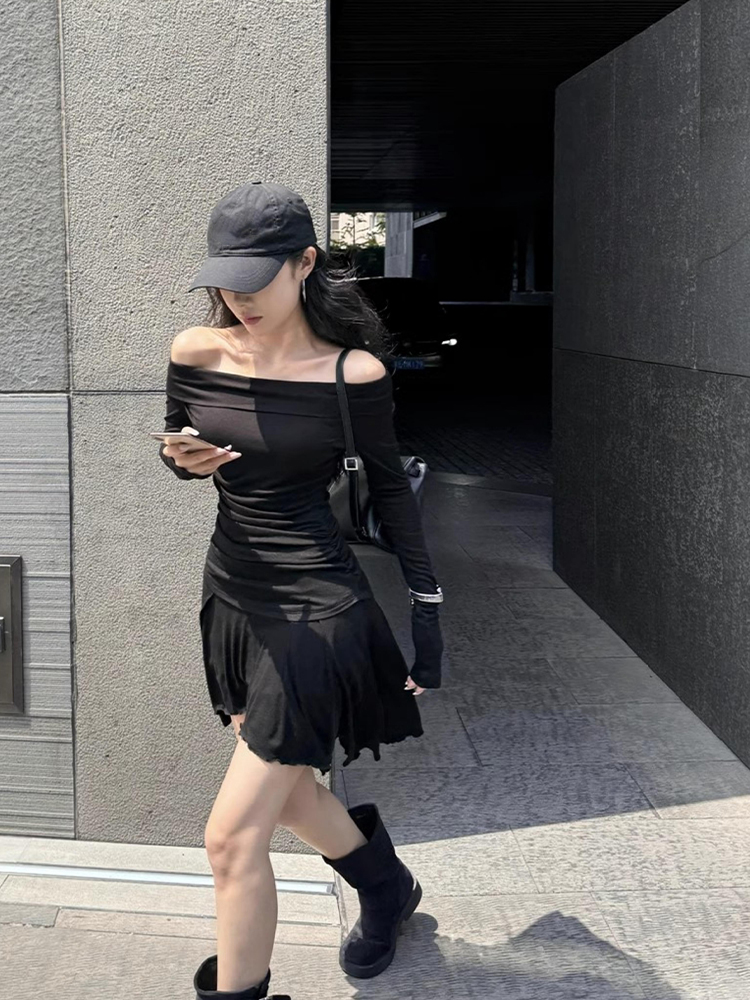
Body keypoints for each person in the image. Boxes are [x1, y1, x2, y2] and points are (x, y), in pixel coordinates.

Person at [158, 181, 445, 1000]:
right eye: (226, 283)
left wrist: (427, 614)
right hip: (234, 598)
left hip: (319, 610)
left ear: (306, 263)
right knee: (284, 795)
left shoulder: (352, 372)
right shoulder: (195, 350)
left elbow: (390, 495)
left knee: (230, 839)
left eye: (257, 280)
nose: (238, 299)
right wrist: (181, 459)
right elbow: (179, 444)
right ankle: (387, 889)